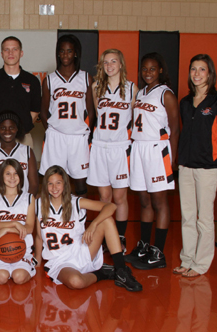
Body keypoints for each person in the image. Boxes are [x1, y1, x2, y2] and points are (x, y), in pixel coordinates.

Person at [175, 54, 217, 277]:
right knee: (187, 217)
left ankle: (200, 264)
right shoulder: (185, 103)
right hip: (186, 168)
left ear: (210, 73)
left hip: (208, 170)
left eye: (202, 69)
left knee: (205, 219)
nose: (197, 74)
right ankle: (187, 259)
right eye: (193, 69)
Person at [35, 165, 142, 291]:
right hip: (60, 261)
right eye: (50, 183)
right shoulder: (39, 204)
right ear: (45, 185)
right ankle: (102, 273)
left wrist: (93, 224)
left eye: (58, 183)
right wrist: (37, 259)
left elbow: (111, 206)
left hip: (82, 250)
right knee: (76, 282)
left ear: (65, 184)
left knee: (106, 220)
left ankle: (121, 271)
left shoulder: (75, 202)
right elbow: (38, 236)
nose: (54, 188)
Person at [126, 52, 180, 270]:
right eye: (144, 69)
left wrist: (173, 159)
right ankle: (144, 246)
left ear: (160, 70)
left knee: (159, 202)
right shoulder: (140, 93)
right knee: (144, 201)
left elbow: (175, 129)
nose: (148, 72)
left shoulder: (165, 94)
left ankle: (158, 253)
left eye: (152, 69)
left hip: (158, 149)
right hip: (139, 147)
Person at [87, 49, 138, 251]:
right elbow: (95, 116)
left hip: (120, 147)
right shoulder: (96, 87)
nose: (109, 66)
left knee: (119, 198)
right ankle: (105, 236)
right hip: (99, 146)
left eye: (113, 61)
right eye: (106, 62)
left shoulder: (132, 88)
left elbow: (135, 118)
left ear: (121, 64)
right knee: (105, 197)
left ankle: (121, 237)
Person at [39, 34, 94, 197]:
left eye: (69, 51)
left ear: (75, 53)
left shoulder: (85, 78)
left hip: (78, 137)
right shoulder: (50, 80)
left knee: (80, 182)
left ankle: (79, 220)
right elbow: (43, 111)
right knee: (53, 180)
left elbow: (90, 110)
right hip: (56, 136)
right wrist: (51, 130)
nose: (65, 55)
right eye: (62, 51)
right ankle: (53, 219)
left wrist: (85, 130)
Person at [0, 159, 37, 285]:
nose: (12, 177)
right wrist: (14, 224)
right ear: (1, 176)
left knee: (19, 278)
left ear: (21, 176)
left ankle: (29, 262)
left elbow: (29, 228)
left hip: (22, 248)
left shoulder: (29, 198)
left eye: (16, 173)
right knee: (2, 278)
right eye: (8, 173)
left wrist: (5, 229)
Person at [0, 36, 41, 147]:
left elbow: (34, 113)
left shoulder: (32, 80)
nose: (10, 53)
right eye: (6, 49)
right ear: (1, 54)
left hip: (23, 139)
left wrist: (20, 131)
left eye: (15, 49)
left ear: (21, 53)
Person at [0, 110, 39, 200]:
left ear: (17, 128)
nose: (7, 131)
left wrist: (26, 202)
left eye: (11, 128)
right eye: (3, 128)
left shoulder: (27, 151)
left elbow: (34, 184)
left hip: (22, 204)